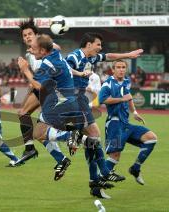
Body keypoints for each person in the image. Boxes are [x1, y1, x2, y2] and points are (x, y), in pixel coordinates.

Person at [18, 34, 124, 186]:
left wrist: (25, 70)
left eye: (33, 49)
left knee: (38, 133)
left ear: (42, 50)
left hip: (61, 104)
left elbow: (38, 86)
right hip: (72, 102)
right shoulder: (56, 54)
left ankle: (71, 137)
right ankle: (102, 174)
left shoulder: (48, 63)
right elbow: (54, 48)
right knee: (92, 136)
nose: (31, 52)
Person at [65, 32, 143, 198]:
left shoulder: (91, 58)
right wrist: (79, 74)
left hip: (80, 99)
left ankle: (95, 182)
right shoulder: (75, 56)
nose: (100, 48)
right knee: (92, 136)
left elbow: (108, 56)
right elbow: (65, 68)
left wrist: (128, 55)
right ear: (89, 44)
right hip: (71, 98)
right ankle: (73, 136)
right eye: (98, 44)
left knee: (93, 140)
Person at [99, 60, 157, 185]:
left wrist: (134, 112)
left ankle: (135, 169)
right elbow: (102, 99)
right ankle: (97, 186)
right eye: (118, 67)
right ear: (113, 69)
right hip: (114, 124)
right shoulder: (108, 84)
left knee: (151, 138)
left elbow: (128, 96)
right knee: (114, 155)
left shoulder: (126, 81)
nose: (121, 69)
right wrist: (121, 99)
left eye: (123, 67)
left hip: (125, 124)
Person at [17, 18, 61, 163]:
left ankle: (77, 139)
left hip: (52, 89)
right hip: (41, 88)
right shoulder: (30, 54)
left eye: (30, 33)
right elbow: (37, 76)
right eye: (25, 35)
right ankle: (29, 149)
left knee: (45, 126)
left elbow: (57, 48)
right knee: (23, 113)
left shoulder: (44, 46)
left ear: (36, 35)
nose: (28, 37)